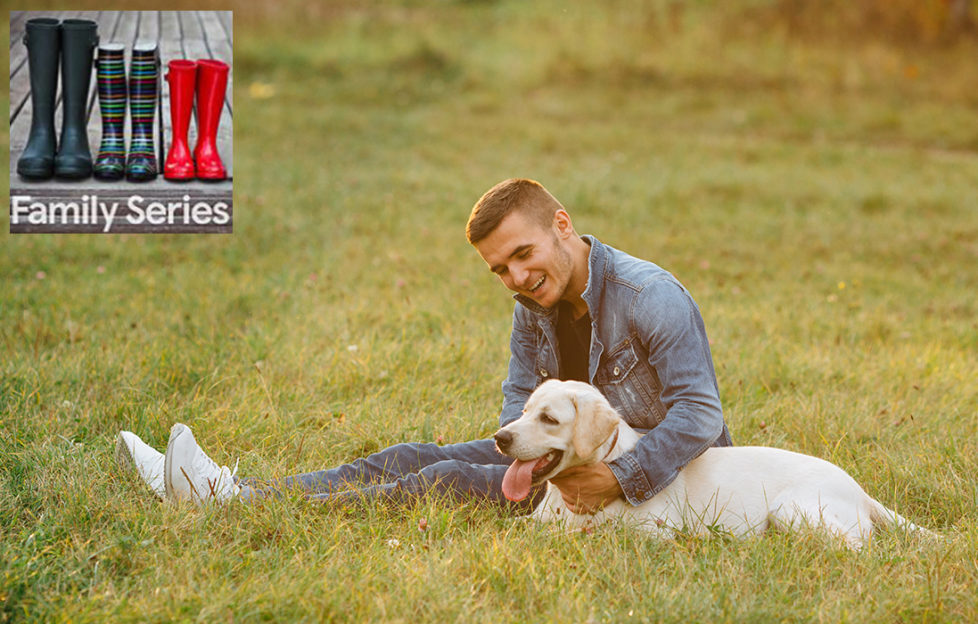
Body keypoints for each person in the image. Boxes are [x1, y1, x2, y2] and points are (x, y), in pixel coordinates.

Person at [116, 178, 733, 514]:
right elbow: (517, 409)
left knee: (438, 479)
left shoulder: (650, 295)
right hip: (560, 462)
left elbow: (702, 416)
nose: (515, 278)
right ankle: (232, 490)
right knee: (411, 454)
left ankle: (234, 508)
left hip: (660, 481)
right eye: (499, 269)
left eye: (523, 254)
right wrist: (529, 464)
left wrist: (619, 478)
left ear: (562, 225)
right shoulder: (531, 308)